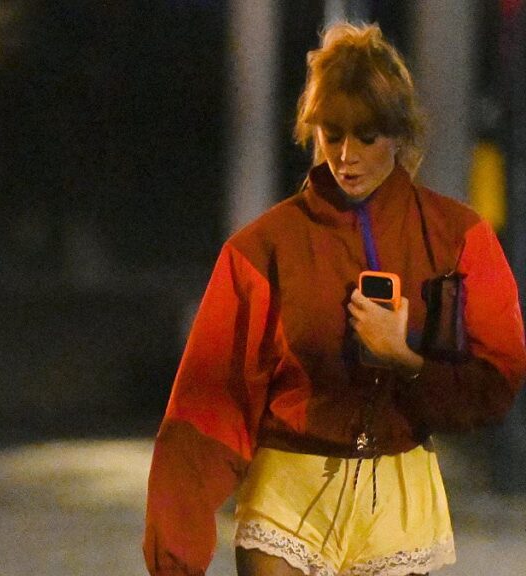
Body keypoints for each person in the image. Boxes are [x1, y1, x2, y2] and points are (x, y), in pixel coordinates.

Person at [144, 22, 526, 576]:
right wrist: (174, 557)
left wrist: (406, 359)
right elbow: (207, 407)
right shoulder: (264, 248)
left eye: (367, 136)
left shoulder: (457, 237)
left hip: (398, 497)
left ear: (398, 132)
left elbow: (496, 383)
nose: (346, 156)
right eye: (332, 133)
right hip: (288, 494)